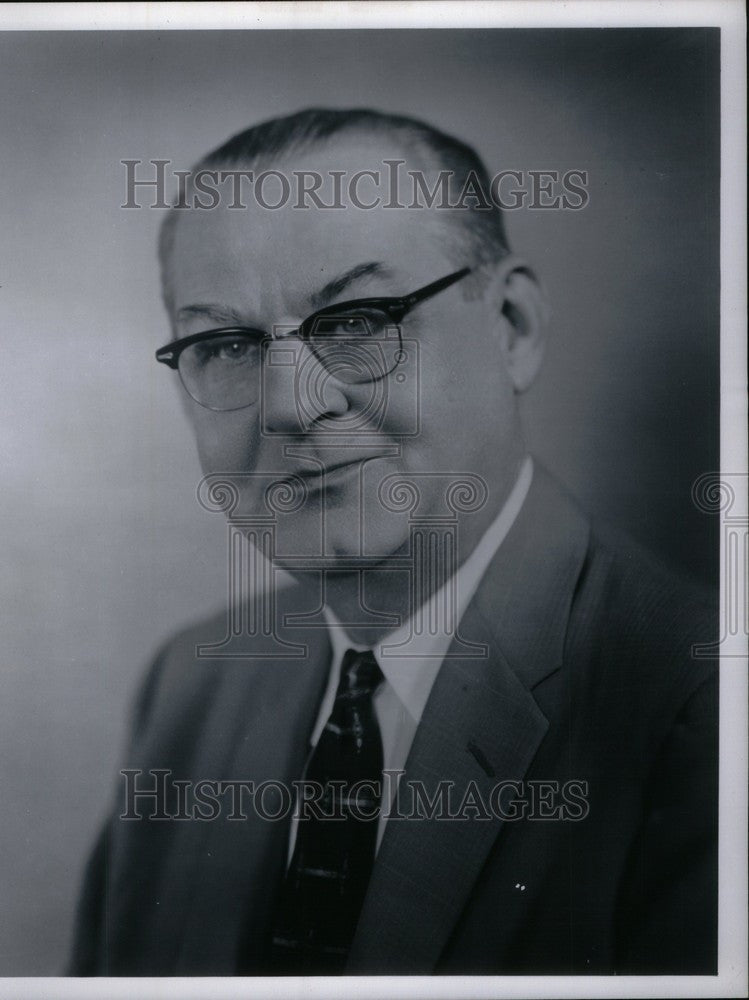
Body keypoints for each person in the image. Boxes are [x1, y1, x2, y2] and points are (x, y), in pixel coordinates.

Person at [69, 108, 717, 976]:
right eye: (226, 344)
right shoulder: (190, 686)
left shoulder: (704, 714)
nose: (292, 406)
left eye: (354, 322)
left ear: (512, 326)